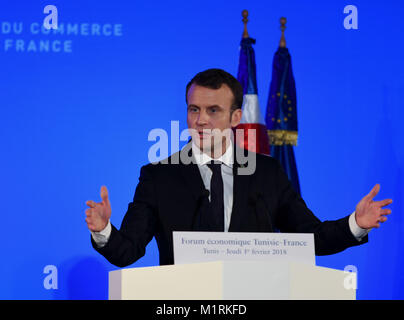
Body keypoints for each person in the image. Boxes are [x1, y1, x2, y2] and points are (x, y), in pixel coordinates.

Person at [85, 68, 393, 267]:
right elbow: (128, 250)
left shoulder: (266, 173)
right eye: (194, 109)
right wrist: (103, 231)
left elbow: (310, 237)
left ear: (235, 118)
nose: (200, 120)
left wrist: (356, 223)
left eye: (213, 110)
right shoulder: (159, 176)